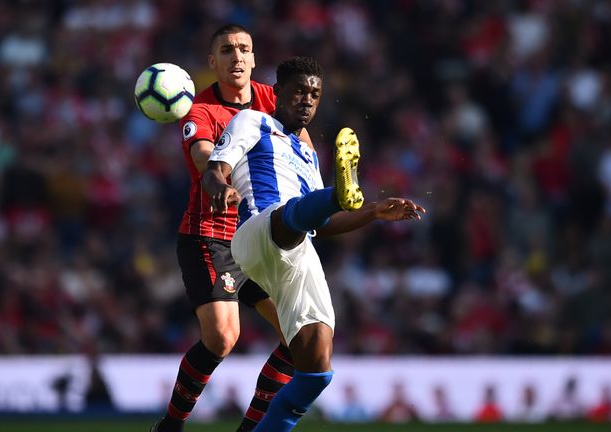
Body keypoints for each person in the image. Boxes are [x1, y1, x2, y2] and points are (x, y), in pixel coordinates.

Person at [203, 56, 425, 431]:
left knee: (316, 370)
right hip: (257, 232)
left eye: (315, 94)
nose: (307, 100)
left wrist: (372, 212)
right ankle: (340, 192)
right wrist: (221, 188)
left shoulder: (308, 154)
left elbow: (320, 224)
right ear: (277, 94)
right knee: (291, 214)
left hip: (297, 251)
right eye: (299, 92)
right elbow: (215, 169)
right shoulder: (252, 121)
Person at [152, 24, 313, 432]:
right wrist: (220, 181)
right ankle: (170, 426)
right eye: (226, 50)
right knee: (223, 337)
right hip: (211, 234)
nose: (236, 56)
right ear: (213, 62)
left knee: (301, 340)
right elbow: (205, 153)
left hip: (262, 236)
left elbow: (303, 145)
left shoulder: (270, 99)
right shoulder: (199, 110)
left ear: (255, 58)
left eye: (244, 49)